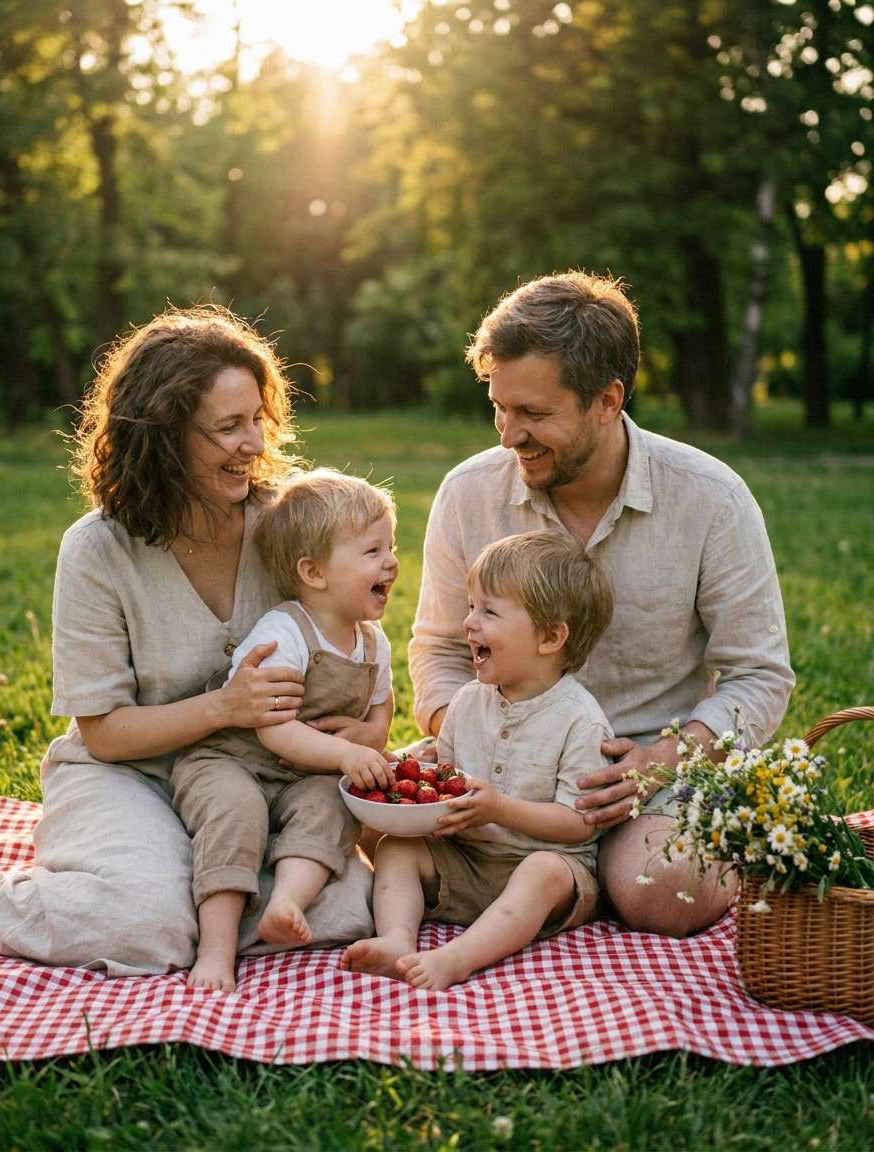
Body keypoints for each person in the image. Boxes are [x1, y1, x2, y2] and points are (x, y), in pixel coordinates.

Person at [0, 307, 374, 974]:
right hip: (131, 775)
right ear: (164, 437)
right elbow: (106, 734)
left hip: (262, 776)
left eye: (257, 419)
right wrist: (225, 709)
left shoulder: (286, 527)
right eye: (228, 428)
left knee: (354, 904)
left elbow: (352, 633)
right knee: (147, 927)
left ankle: (190, 901)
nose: (255, 444)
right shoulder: (96, 550)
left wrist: (343, 729)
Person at [408, 271, 795, 937]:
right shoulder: (468, 493)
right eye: (499, 407)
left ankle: (581, 881)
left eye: (534, 414)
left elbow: (758, 675)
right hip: (495, 768)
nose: (508, 434)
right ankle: (562, 887)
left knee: (667, 891)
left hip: (644, 782)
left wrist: (661, 763)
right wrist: (457, 734)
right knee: (363, 833)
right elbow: (437, 651)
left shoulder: (710, 499)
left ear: (607, 400)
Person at [342, 531, 613, 989]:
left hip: (542, 871)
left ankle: (458, 958)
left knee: (543, 873)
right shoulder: (468, 701)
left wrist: (501, 809)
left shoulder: (580, 721)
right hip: (467, 860)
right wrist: (399, 773)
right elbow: (444, 780)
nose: (469, 623)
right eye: (471, 606)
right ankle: (396, 939)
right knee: (397, 847)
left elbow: (580, 823)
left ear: (550, 637)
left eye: (488, 611)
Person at [172, 469, 399, 991]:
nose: (390, 561)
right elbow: (272, 730)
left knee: (332, 805)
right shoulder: (284, 632)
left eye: (391, 546)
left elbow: (381, 712)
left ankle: (286, 903)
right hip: (231, 761)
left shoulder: (373, 642)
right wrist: (343, 755)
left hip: (303, 774)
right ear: (314, 573)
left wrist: (370, 737)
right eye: (372, 551)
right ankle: (216, 949)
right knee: (238, 810)